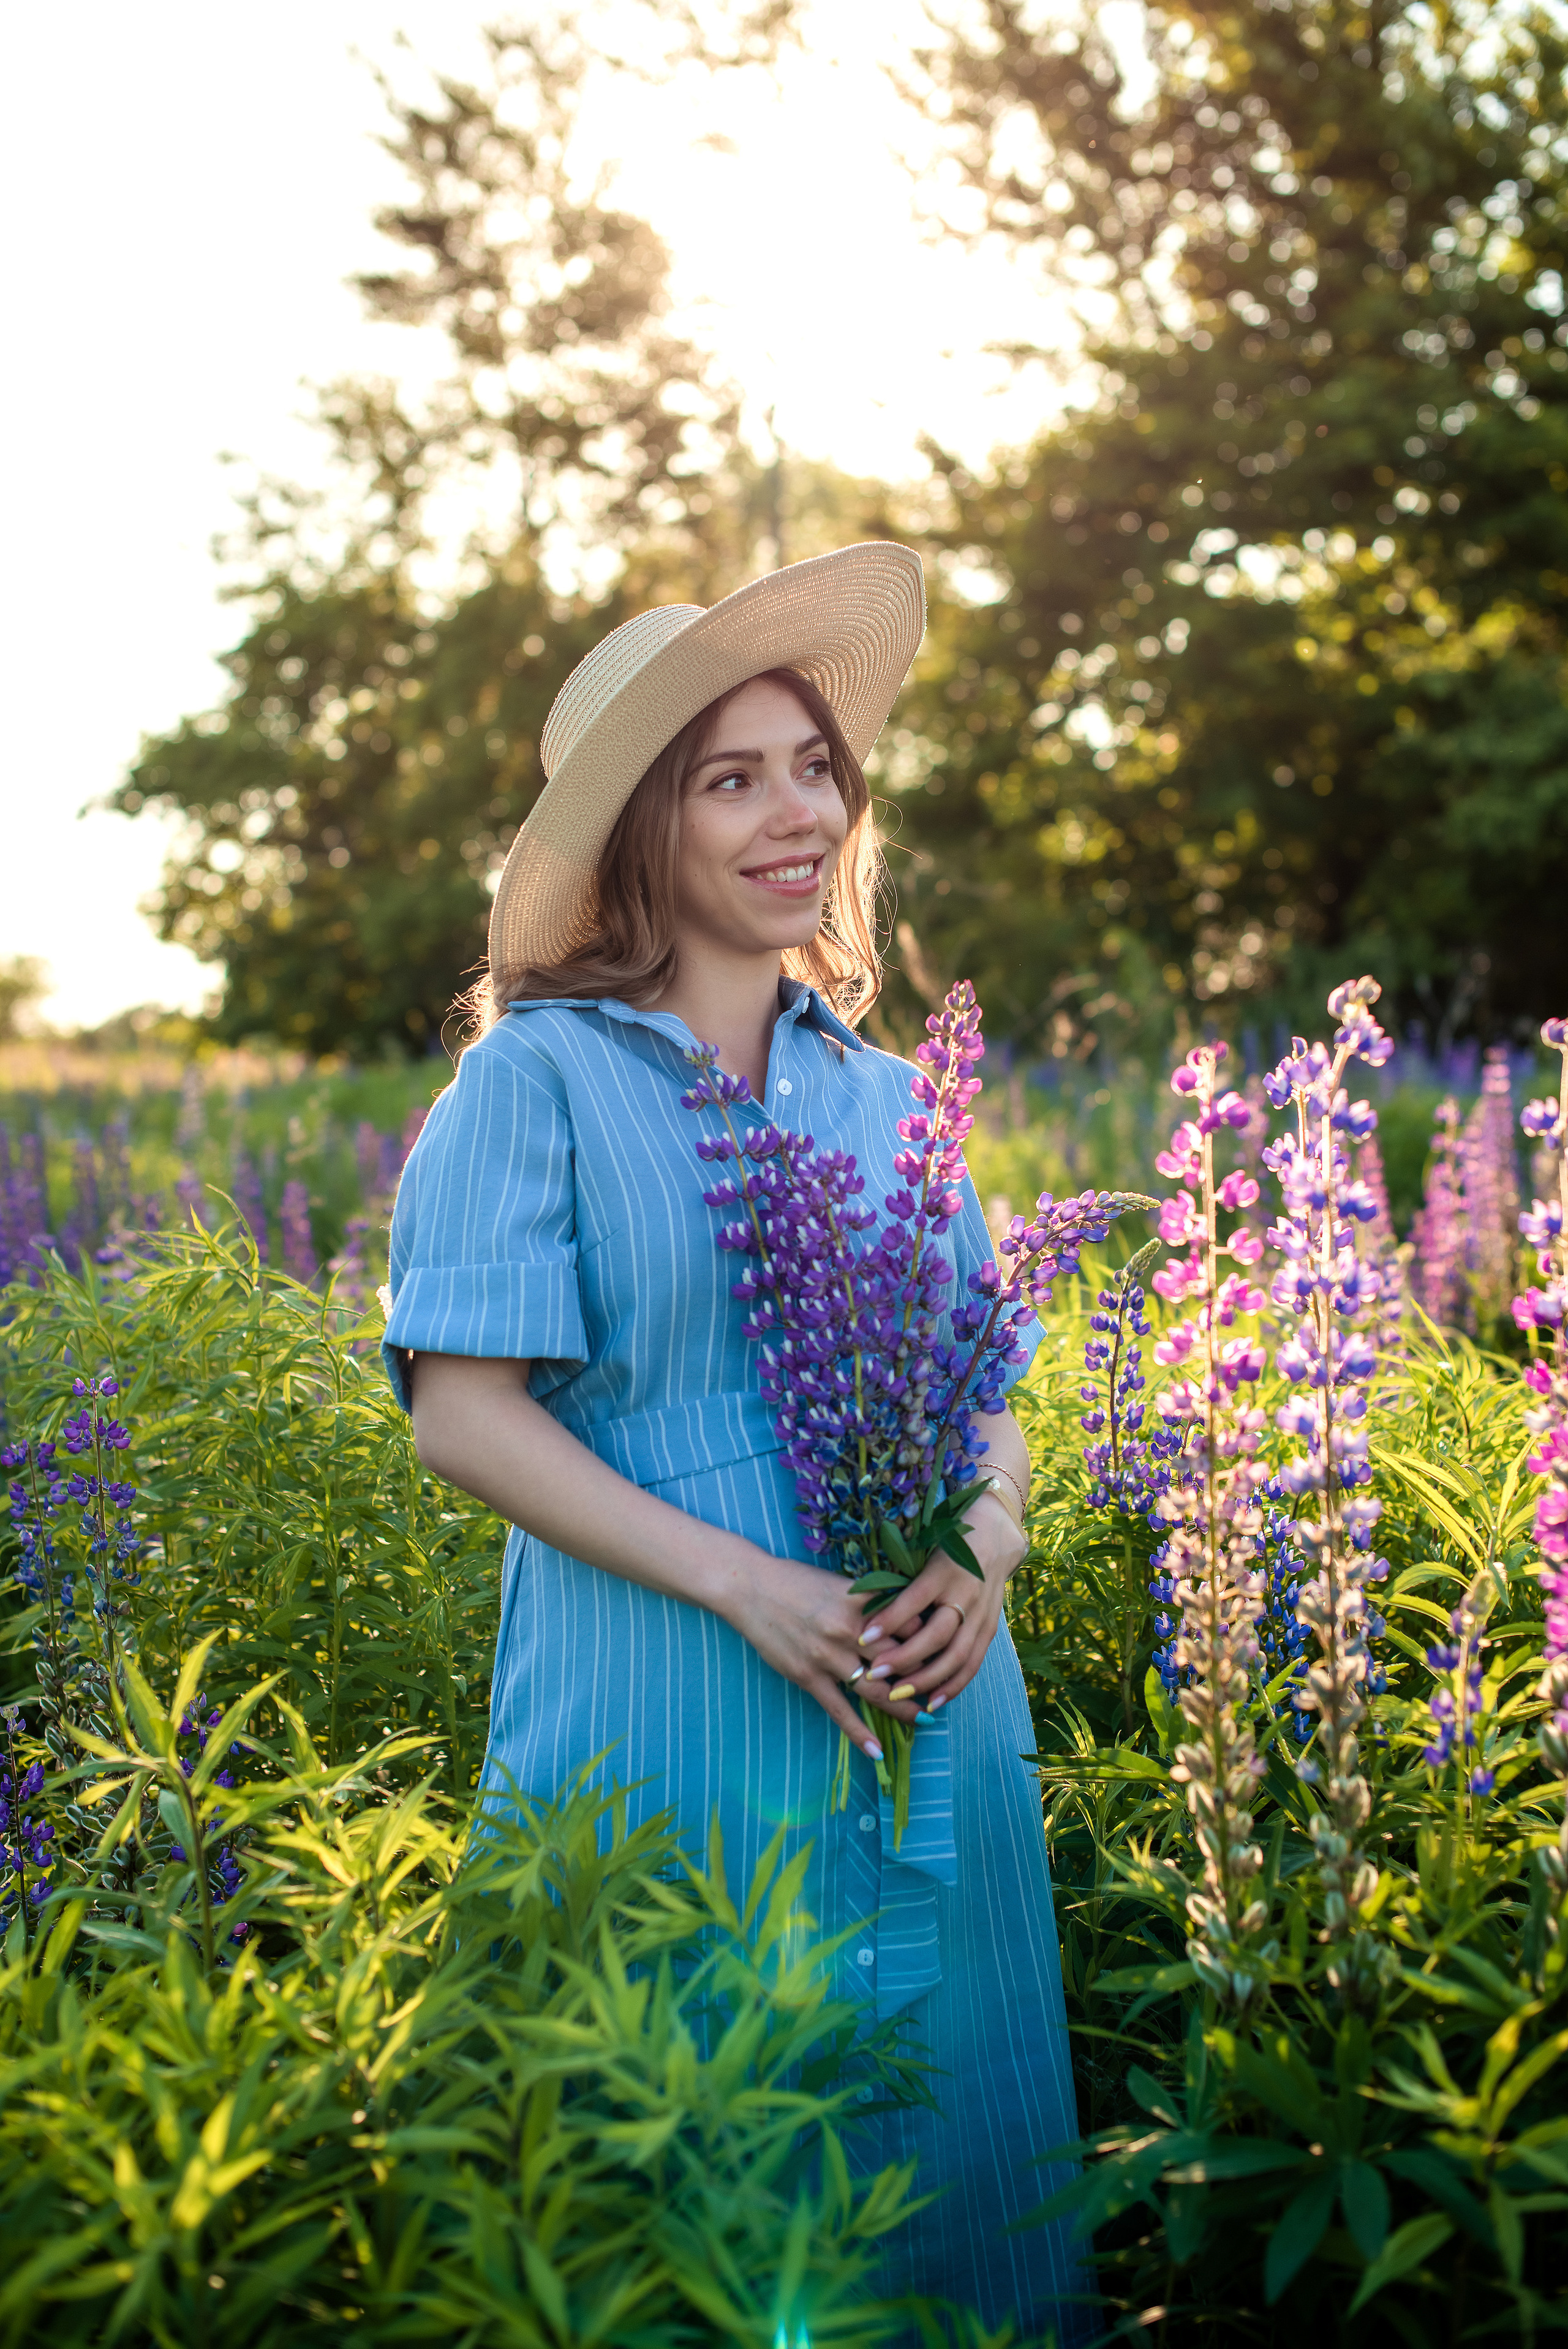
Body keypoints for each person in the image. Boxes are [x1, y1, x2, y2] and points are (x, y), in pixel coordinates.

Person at [382, 543, 1086, 2336]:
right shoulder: (533, 1077)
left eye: (816, 768)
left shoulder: (887, 1097)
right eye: (733, 776)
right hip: (663, 1687)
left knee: (951, 2171)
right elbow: (464, 1412)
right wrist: (749, 1581)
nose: (798, 813)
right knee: (671, 2175)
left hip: (927, 1708)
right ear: (645, 830)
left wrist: (983, 1554)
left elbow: (985, 1396)